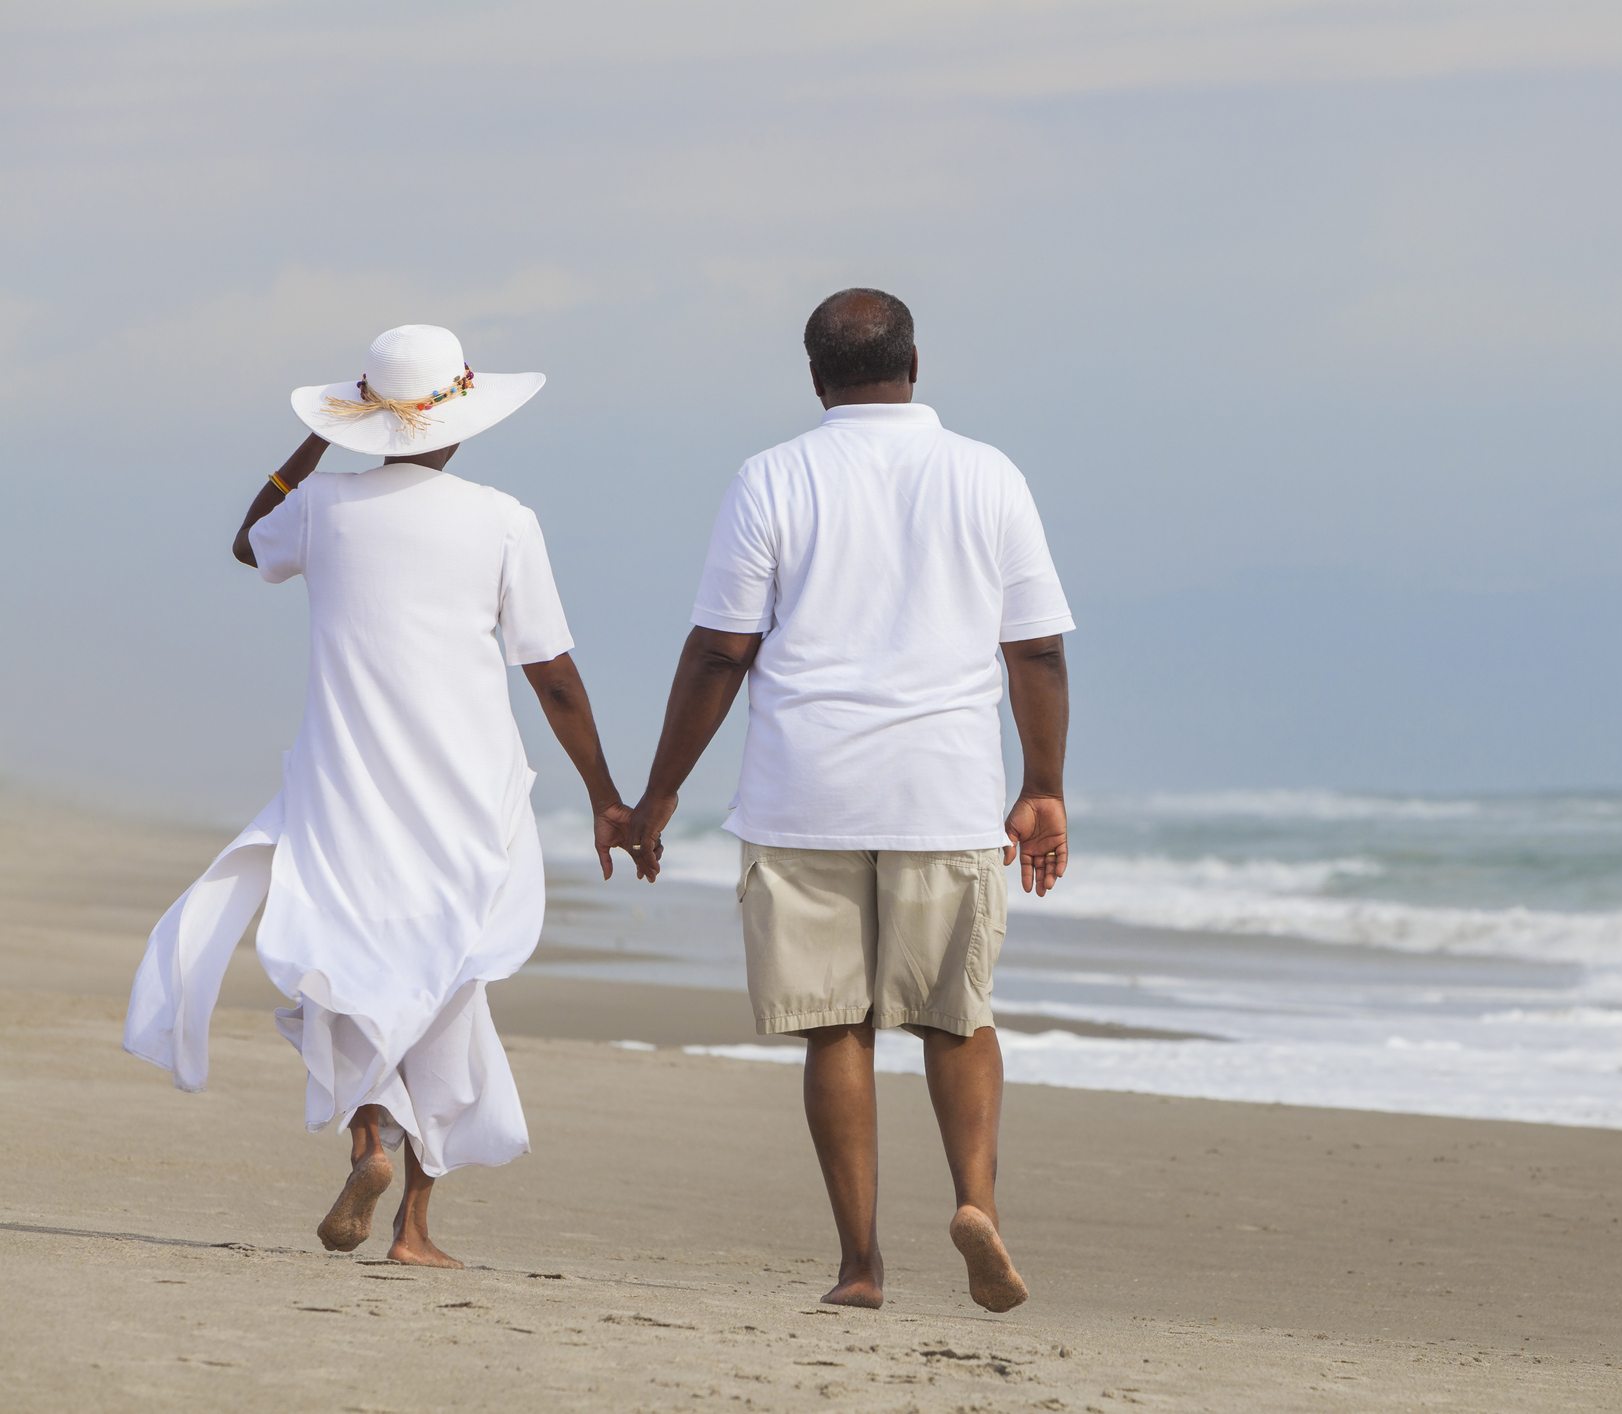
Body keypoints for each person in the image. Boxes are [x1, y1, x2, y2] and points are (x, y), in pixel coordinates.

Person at [125, 325, 630, 1267]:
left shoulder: (320, 507)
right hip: (466, 791)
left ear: (367, 416)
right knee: (447, 978)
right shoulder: (502, 518)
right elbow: (551, 673)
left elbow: (248, 542)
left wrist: (324, 436)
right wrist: (606, 794)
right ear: (461, 417)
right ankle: (417, 1233)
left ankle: (369, 1142)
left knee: (348, 966)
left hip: (345, 782)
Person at [628, 288, 1073, 1312]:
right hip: (946, 785)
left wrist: (657, 795)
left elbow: (721, 652)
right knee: (957, 1019)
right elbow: (1036, 647)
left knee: (838, 1026)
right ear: (915, 365)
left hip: (803, 788)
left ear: (816, 376)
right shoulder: (987, 474)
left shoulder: (772, 477)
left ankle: (861, 1265)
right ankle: (976, 1206)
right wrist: (1041, 786)